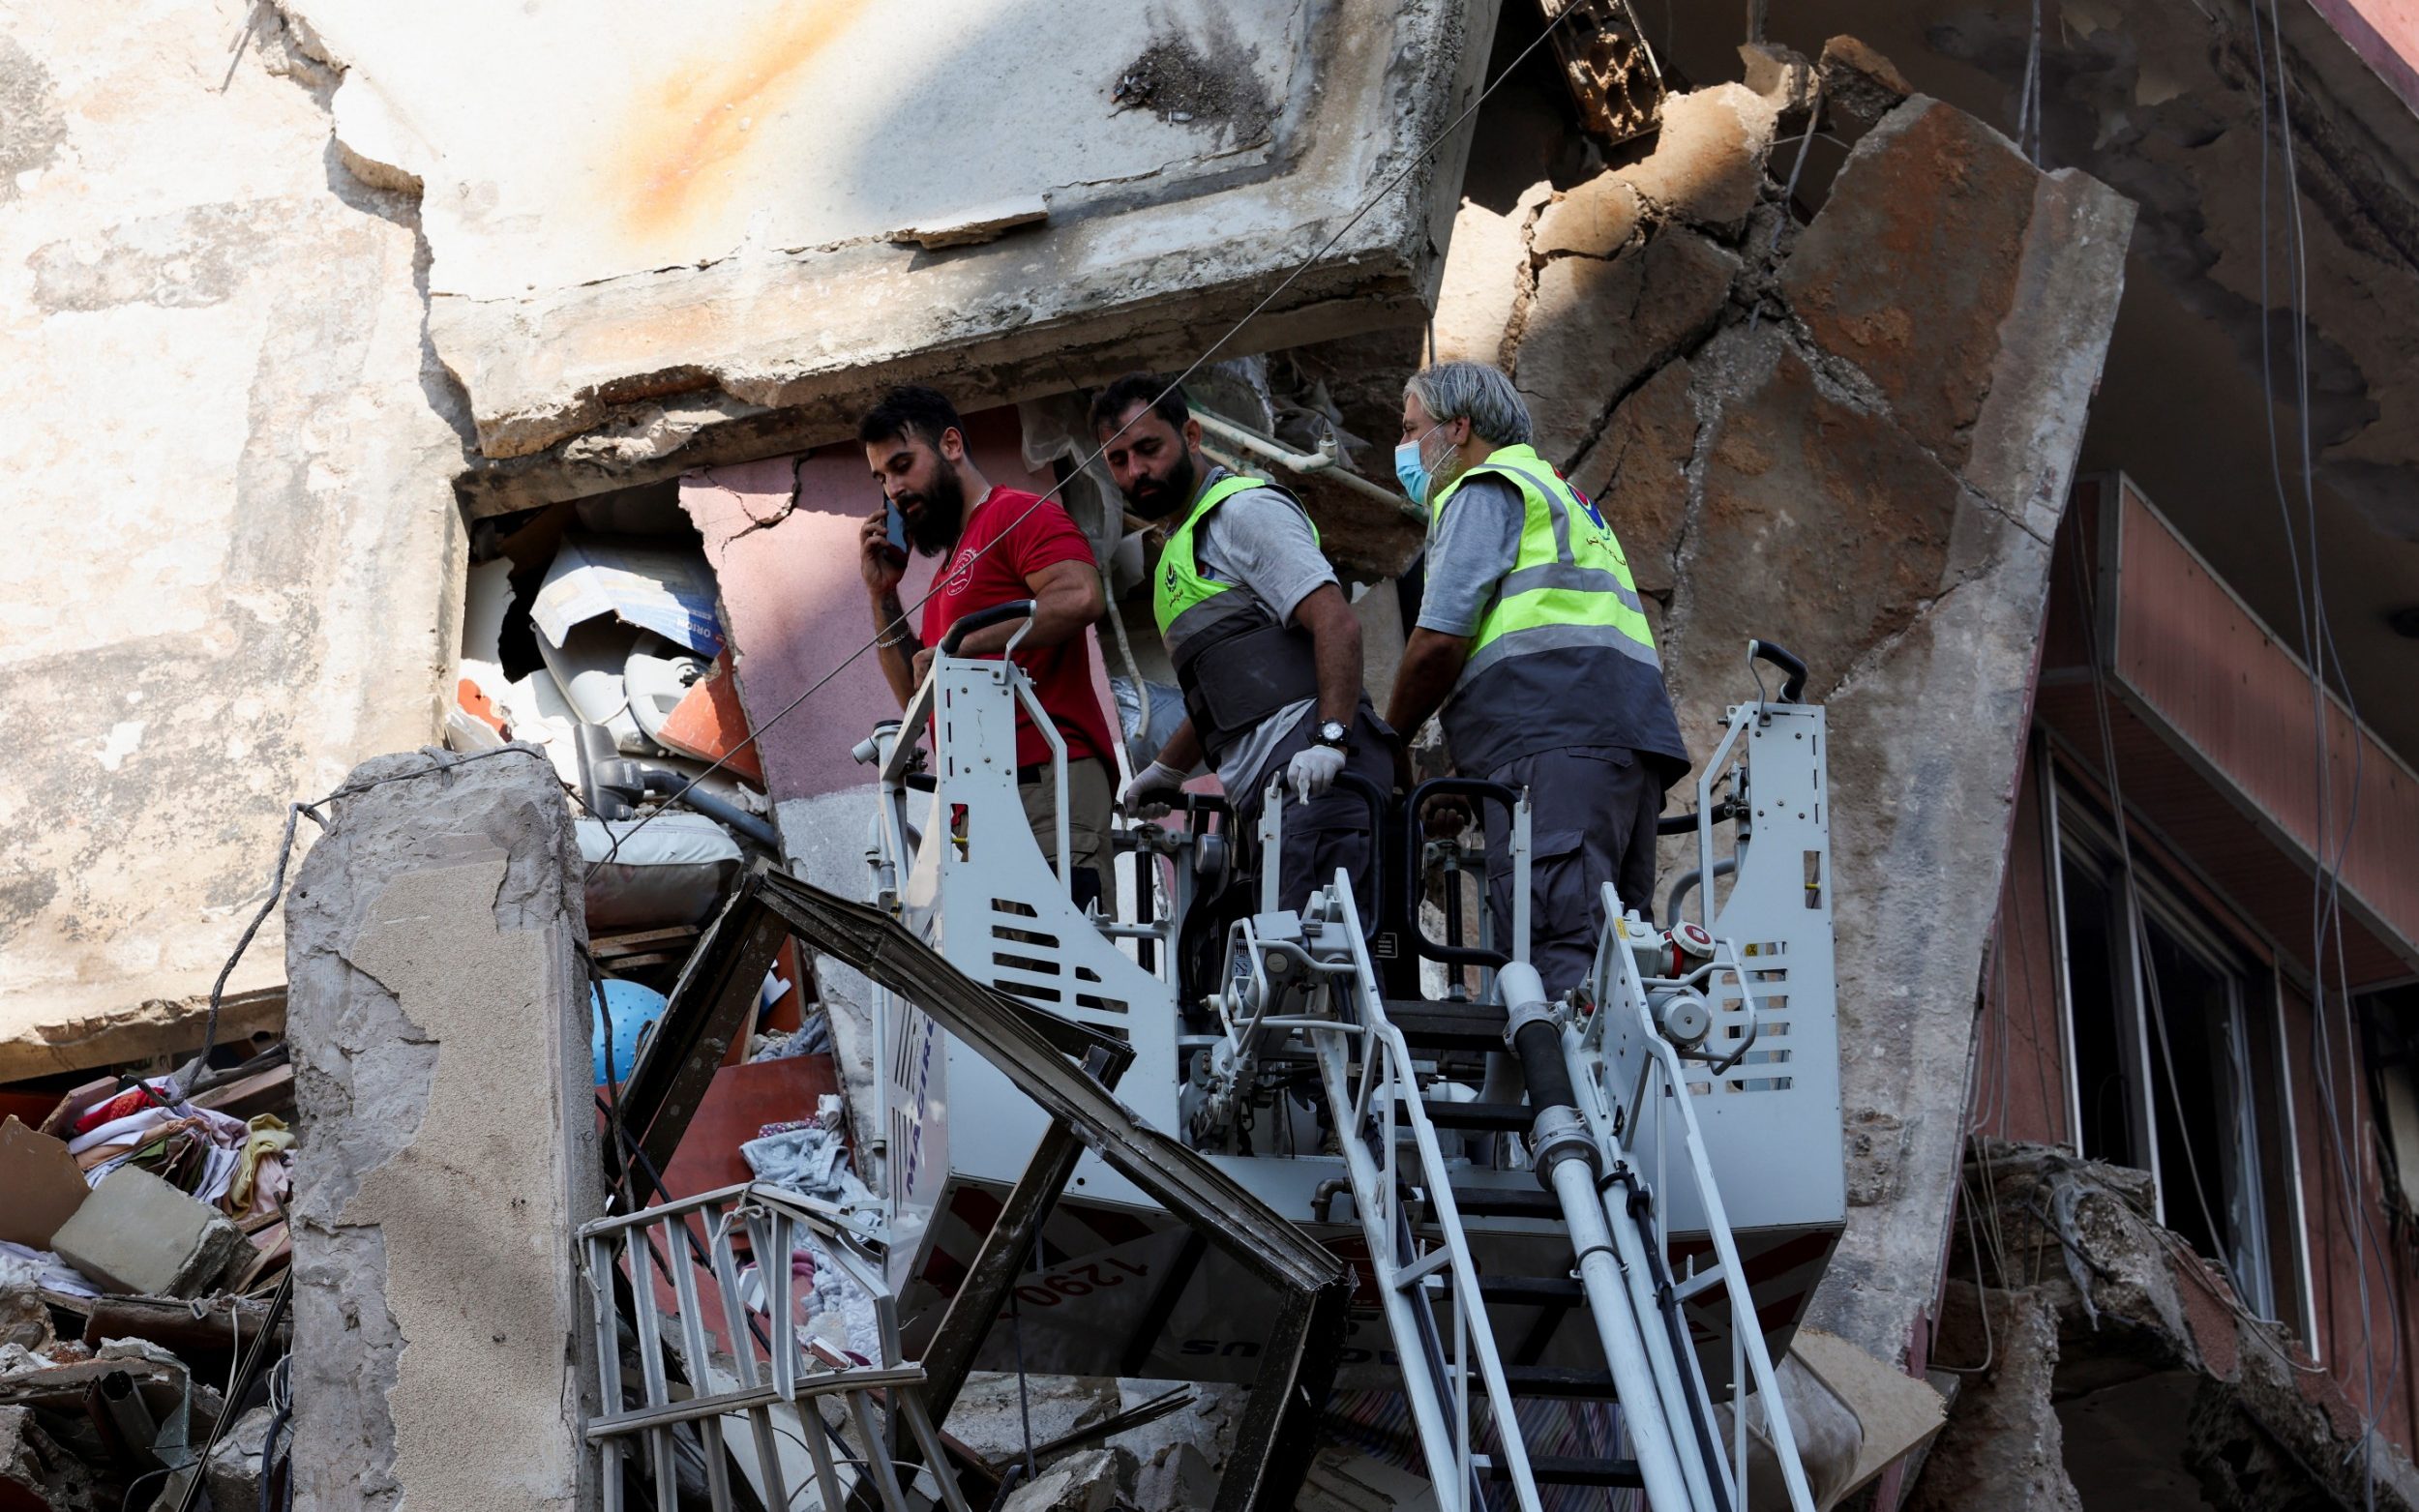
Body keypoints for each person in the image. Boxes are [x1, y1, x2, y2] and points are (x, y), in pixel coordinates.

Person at [1381, 361, 1689, 994]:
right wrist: (1470, 780)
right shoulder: (1564, 498)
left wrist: (1384, 740)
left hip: (1559, 747)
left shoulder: (1482, 489)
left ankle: (1564, 1096)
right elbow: (1540, 642)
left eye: (1412, 430)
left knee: (1557, 956)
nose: (1405, 449)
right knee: (1621, 958)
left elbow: (1440, 640)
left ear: (1458, 428)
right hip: (1623, 751)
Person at [1090, 373, 1396, 915]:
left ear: (1190, 435)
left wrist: (1331, 740)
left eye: (1148, 448)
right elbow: (1227, 689)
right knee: (1278, 980)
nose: (1136, 471)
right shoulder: (1177, 553)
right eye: (1118, 460)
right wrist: (1168, 767)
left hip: (1313, 774)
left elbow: (1336, 623)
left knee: (1315, 981)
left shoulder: (1241, 512)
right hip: (1268, 793)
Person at [856, 385, 1119, 904]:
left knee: (1069, 974)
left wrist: (960, 646)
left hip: (1042, 781)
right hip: (973, 805)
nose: (894, 489)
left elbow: (1081, 595)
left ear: (951, 444)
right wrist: (882, 594)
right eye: (882, 478)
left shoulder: (1017, 513)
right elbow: (918, 697)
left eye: (903, 465)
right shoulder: (942, 578)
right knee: (993, 982)